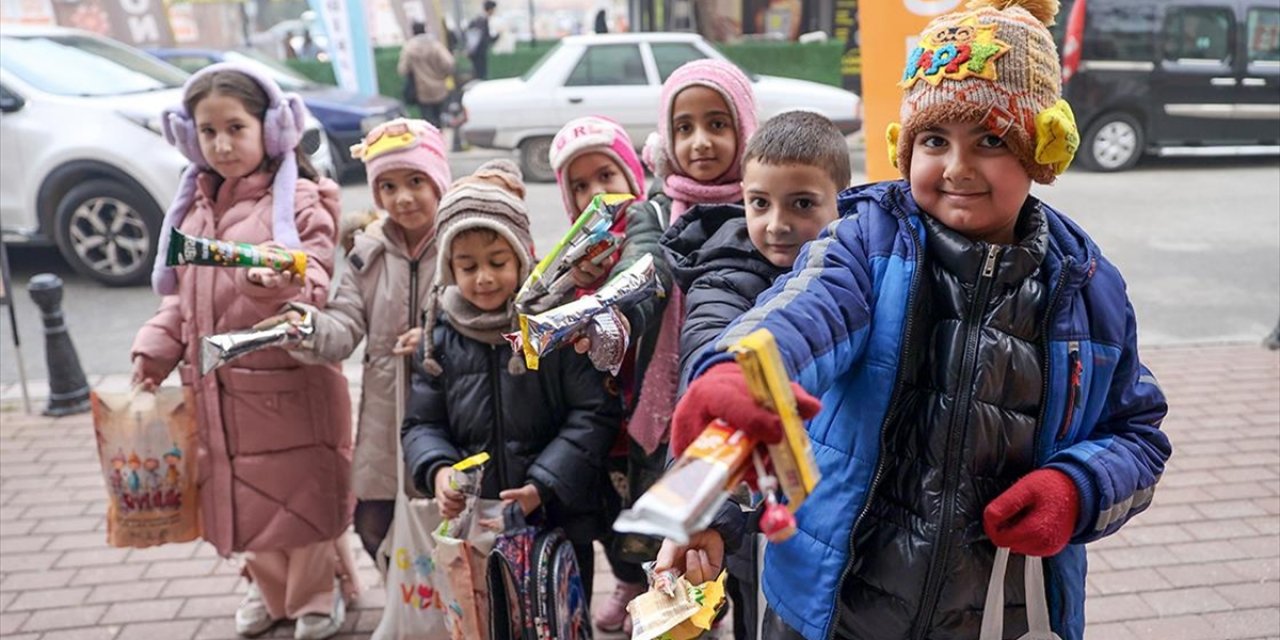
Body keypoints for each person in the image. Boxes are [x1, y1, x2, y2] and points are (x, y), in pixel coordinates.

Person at [657, 1, 1173, 639]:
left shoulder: (1087, 287)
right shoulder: (865, 244)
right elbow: (801, 313)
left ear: (1043, 150)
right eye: (934, 140)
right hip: (833, 611)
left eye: (990, 140)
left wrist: (1078, 489)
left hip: (999, 616)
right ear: (904, 147)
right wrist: (738, 373)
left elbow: (1137, 432)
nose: (957, 167)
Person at [130, 63, 354, 640]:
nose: (222, 144)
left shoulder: (305, 201)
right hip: (218, 392)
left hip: (289, 390)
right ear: (190, 137)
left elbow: (317, 286)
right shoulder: (196, 208)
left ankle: (315, 597)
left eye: (236, 127)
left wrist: (278, 285)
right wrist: (154, 350)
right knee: (242, 500)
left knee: (301, 499)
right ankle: (270, 591)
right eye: (209, 132)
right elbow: (181, 298)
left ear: (272, 129)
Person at [659, 109, 848, 640]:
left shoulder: (859, 273)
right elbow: (707, 391)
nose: (777, 223)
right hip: (752, 521)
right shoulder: (723, 281)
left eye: (802, 204)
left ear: (842, 200)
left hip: (841, 513)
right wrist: (702, 510)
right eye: (759, 203)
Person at [401, 159, 622, 610]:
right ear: (449, 268)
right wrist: (440, 471)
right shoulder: (439, 335)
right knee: (491, 614)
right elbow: (421, 424)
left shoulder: (553, 324)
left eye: (497, 262)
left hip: (557, 513)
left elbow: (593, 412)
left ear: (521, 255)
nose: (483, 277)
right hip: (476, 521)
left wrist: (543, 484)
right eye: (467, 266)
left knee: (561, 612)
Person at [276, 118, 452, 571]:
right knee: (373, 523)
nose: (403, 197)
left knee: (451, 521)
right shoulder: (366, 253)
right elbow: (344, 324)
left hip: (455, 410)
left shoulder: (463, 242)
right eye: (388, 186)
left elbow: (497, 312)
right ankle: (413, 602)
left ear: (438, 180)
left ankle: (455, 611)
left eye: (416, 181)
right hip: (386, 414)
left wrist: (437, 338)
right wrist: (307, 327)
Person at [547, 115, 673, 634]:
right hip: (600, 410)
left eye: (607, 176)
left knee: (651, 501)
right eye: (580, 185)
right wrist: (575, 285)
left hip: (650, 398)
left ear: (632, 178)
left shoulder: (654, 232)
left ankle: (657, 585)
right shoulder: (573, 256)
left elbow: (650, 283)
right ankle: (625, 580)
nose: (596, 193)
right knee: (607, 502)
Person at [398, 21, 455, 128]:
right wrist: (443, 75)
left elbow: (403, 69)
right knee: (440, 119)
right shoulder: (435, 45)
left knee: (427, 122)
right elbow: (449, 63)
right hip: (439, 88)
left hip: (422, 90)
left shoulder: (409, 48)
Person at [466, 1, 497, 80]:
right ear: (490, 9)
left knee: (478, 74)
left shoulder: (478, 19)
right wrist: (497, 37)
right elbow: (484, 38)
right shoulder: (482, 20)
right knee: (480, 75)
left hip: (475, 52)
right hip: (479, 53)